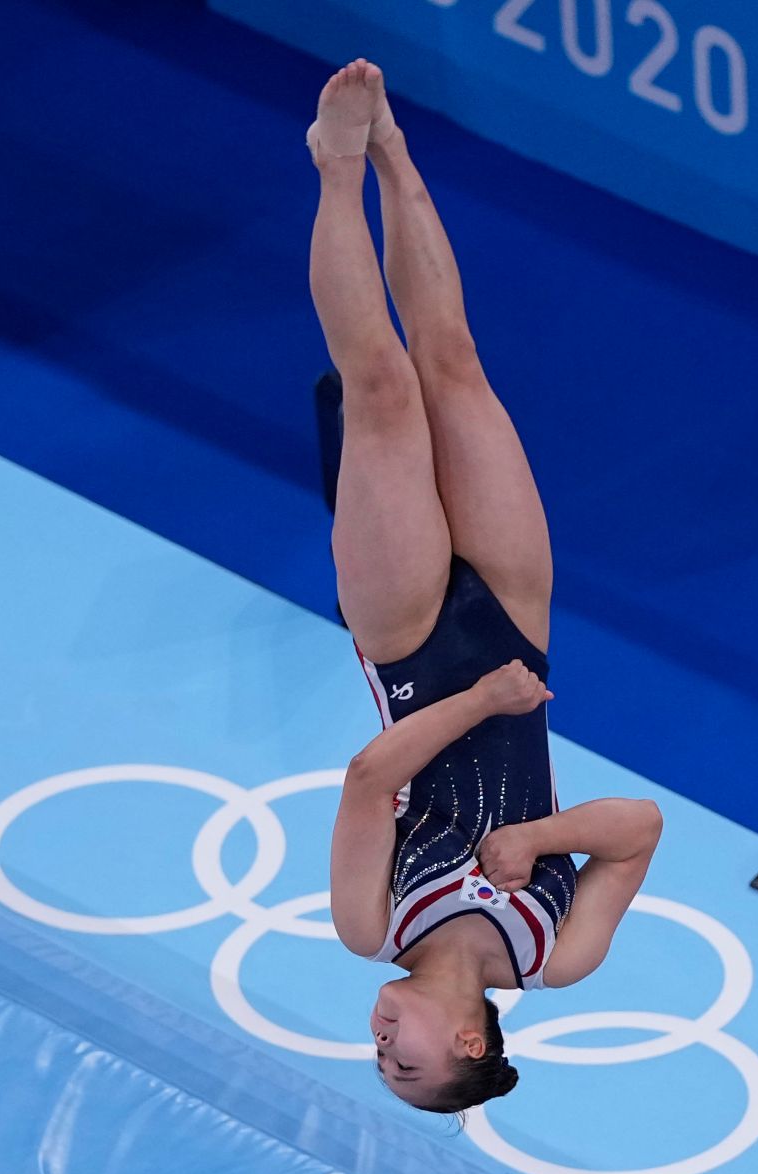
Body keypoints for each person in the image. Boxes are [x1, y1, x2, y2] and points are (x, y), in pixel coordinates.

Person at [311, 61, 663, 1117]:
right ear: (469, 1037)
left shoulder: (369, 927)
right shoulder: (560, 954)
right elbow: (637, 827)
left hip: (414, 655)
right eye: (405, 1060)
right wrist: (539, 843)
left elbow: (370, 782)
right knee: (453, 362)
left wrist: (475, 702)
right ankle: (392, 152)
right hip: (519, 621)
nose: (380, 1045)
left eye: (382, 1062)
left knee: (380, 394)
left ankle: (334, 171)